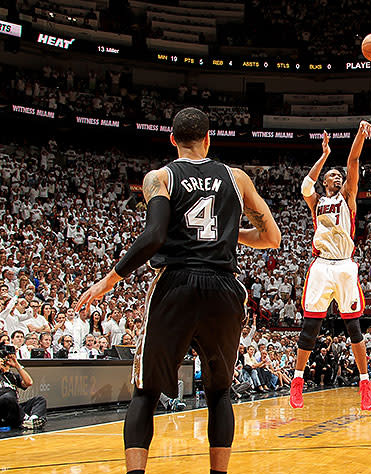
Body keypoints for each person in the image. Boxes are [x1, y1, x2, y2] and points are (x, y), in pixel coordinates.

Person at [75, 108, 281, 474]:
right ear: (208, 139)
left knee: (145, 391)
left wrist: (109, 279)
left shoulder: (161, 177)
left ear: (172, 140)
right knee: (219, 392)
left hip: (176, 284)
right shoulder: (237, 178)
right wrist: (229, 236)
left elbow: (154, 236)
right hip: (223, 287)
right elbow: (271, 238)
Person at [290, 122, 371, 411]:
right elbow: (305, 184)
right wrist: (324, 154)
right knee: (310, 326)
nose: (338, 177)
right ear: (325, 181)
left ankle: (365, 383)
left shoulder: (347, 197)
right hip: (321, 265)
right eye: (333, 175)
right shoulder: (316, 201)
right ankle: (298, 380)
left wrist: (359, 135)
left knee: (353, 326)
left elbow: (353, 160)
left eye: (340, 176)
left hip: (344, 266)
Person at [0, 349, 47, 430]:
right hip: (3, 410)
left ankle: (32, 420)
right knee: (7, 398)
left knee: (40, 400)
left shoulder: (12, 376)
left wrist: (17, 366)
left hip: (16, 409)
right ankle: (25, 419)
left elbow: (29, 382)